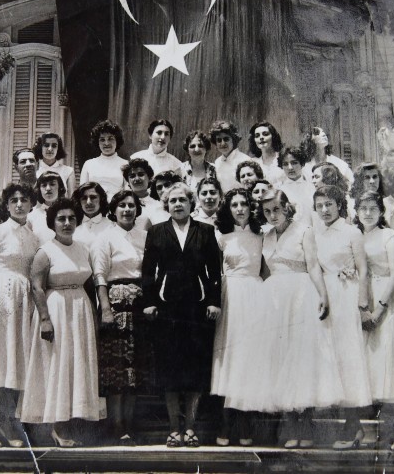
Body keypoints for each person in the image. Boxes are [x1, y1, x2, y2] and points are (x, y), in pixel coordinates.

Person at [258, 189, 342, 448]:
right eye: (267, 211)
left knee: (302, 358)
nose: (273, 215)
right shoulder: (266, 235)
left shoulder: (304, 231)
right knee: (281, 357)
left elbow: (313, 266)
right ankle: (290, 425)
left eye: (276, 209)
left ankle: (306, 426)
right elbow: (265, 271)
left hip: (301, 295)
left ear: (286, 207)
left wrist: (323, 295)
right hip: (274, 298)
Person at [141, 183, 223, 448]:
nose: (178, 204)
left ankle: (190, 428)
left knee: (195, 369)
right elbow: (148, 271)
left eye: (182, 200)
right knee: (170, 369)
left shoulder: (205, 231)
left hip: (197, 308)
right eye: (173, 200)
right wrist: (149, 302)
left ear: (191, 203)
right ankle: (174, 429)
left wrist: (214, 302)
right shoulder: (156, 231)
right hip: (167, 308)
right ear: (167, 204)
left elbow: (214, 272)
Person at [19, 198, 103, 446]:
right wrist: (45, 319)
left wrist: (94, 315)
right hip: (56, 309)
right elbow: (36, 286)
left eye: (71, 219)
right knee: (57, 364)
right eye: (61, 219)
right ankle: (56, 428)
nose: (67, 223)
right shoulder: (45, 251)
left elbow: (89, 284)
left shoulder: (83, 249)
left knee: (76, 364)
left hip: (79, 310)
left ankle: (72, 421)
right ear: (52, 223)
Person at [0, 184, 41, 448]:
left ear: (31, 204)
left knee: (19, 357)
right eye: (13, 200)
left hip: (25, 297)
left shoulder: (34, 237)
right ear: (7, 205)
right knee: (2, 356)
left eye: (24, 200)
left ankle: (11, 419)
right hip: (2, 296)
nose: (18, 204)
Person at [312, 185, 373, 449]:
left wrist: (362, 302)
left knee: (348, 357)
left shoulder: (351, 232)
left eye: (329, 204)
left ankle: (352, 423)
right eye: (319, 206)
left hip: (347, 296)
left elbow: (363, 269)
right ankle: (346, 424)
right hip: (324, 296)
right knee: (330, 358)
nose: (324, 210)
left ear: (339, 205)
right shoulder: (315, 233)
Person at [91, 190, 150, 446]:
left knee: (134, 367)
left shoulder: (145, 236)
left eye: (131, 205)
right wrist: (105, 309)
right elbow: (100, 276)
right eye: (122, 206)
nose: (127, 210)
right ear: (113, 210)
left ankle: (130, 422)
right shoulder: (105, 238)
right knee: (115, 367)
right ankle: (115, 424)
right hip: (115, 305)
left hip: (140, 306)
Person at [211, 188, 267, 447]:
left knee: (249, 358)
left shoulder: (261, 235)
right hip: (231, 296)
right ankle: (225, 422)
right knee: (230, 356)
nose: (240, 209)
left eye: (244, 203)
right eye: (234, 205)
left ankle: (245, 423)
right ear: (228, 208)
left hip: (255, 295)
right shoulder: (221, 237)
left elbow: (265, 269)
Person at [355, 191, 394, 448]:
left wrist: (379, 310)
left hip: (387, 297)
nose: (367, 213)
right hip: (362, 298)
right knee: (367, 363)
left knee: (387, 360)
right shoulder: (355, 236)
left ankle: (390, 431)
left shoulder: (389, 236)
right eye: (363, 208)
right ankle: (367, 429)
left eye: (372, 208)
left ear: (381, 211)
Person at [80, 120, 128, 199]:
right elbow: (82, 192)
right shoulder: (89, 164)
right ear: (97, 142)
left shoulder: (125, 164)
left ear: (117, 140)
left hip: (117, 204)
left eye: (110, 139)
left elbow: (127, 193)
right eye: (102, 139)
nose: (106, 143)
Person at [210, 120, 250, 192]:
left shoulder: (245, 160)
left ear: (233, 140)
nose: (222, 143)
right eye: (219, 140)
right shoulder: (217, 162)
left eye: (226, 139)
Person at [34, 132, 76, 196]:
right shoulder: (34, 171)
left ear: (58, 148)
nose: (50, 149)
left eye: (54, 146)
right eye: (46, 145)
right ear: (40, 148)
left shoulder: (68, 171)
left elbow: (72, 198)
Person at [29, 171, 66, 244]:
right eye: (44, 185)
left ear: (60, 187)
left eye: (52, 184)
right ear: (39, 189)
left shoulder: (68, 214)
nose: (48, 188)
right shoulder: (31, 216)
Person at [72, 181, 113, 247]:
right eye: (84, 198)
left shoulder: (111, 226)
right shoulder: (73, 226)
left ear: (101, 199)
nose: (88, 202)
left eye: (93, 197)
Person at [121, 158, 158, 229]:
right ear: (128, 182)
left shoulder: (158, 203)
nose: (137, 179)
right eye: (132, 176)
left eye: (141, 174)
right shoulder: (122, 203)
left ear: (149, 178)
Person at [278, 146, 314, 215]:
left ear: (302, 164)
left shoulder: (312, 187)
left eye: (294, 163)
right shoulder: (279, 190)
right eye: (285, 164)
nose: (290, 168)